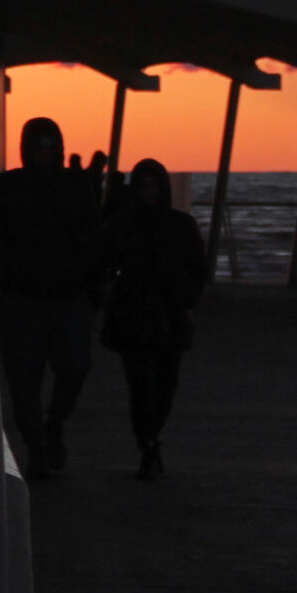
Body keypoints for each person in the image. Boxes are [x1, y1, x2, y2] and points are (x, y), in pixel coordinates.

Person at [0, 118, 106, 480]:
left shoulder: (76, 186)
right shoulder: (8, 186)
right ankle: (36, 448)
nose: (45, 152)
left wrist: (86, 274)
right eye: (39, 144)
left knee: (76, 367)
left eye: (51, 144)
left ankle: (55, 423)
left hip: (68, 296)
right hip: (22, 298)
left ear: (60, 147)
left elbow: (95, 234)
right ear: (27, 148)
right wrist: (14, 262)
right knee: (23, 381)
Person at [102, 158, 207, 481]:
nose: (149, 191)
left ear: (162, 188)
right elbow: (103, 263)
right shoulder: (122, 224)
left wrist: (185, 299)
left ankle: (150, 440)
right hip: (134, 316)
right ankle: (147, 443)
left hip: (169, 316)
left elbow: (198, 269)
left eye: (154, 185)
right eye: (143, 185)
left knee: (164, 386)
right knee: (142, 386)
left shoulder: (181, 225)